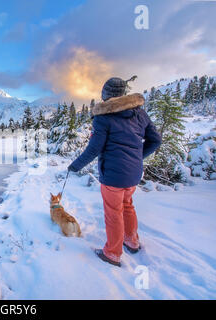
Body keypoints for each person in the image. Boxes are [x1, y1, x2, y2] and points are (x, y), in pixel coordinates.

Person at [68, 77, 161, 267]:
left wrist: (75, 166)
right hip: (133, 174)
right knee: (127, 206)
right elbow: (156, 140)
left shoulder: (103, 117)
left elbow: (94, 149)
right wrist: (137, 157)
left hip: (113, 175)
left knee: (113, 213)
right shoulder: (140, 114)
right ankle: (131, 241)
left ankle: (112, 253)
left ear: (106, 95)